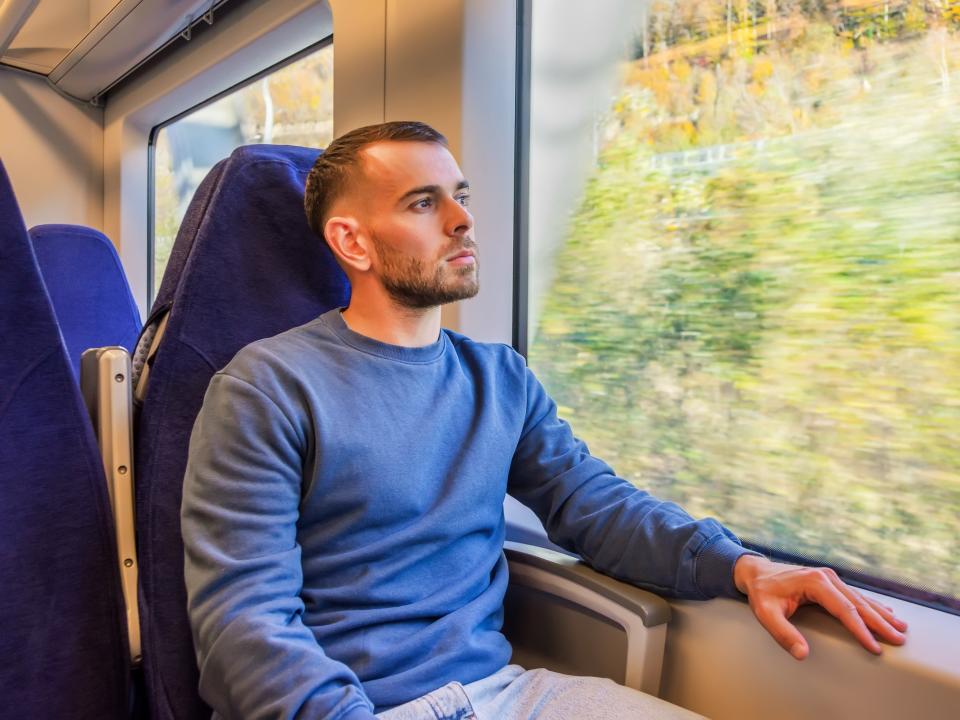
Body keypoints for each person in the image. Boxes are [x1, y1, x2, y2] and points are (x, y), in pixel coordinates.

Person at [181, 121, 908, 720]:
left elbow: (594, 506)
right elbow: (243, 620)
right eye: (423, 203)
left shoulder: (498, 378)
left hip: (502, 697)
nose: (464, 220)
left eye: (460, 196)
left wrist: (742, 567)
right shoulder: (265, 388)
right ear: (353, 243)